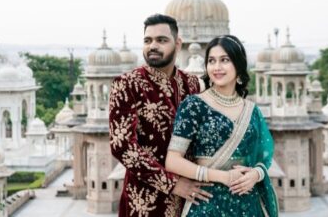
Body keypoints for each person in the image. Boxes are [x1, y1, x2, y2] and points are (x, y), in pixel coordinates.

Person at [109, 14, 211, 217]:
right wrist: (172, 184)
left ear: (178, 43)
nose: (153, 46)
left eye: (161, 40)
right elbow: (122, 146)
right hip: (144, 201)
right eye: (148, 40)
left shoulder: (192, 84)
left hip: (192, 198)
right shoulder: (127, 84)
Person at [165, 35, 279, 217]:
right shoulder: (194, 105)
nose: (217, 67)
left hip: (247, 204)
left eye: (224, 60)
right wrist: (223, 177)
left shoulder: (252, 111)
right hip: (207, 203)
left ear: (239, 65)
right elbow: (172, 160)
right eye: (211, 61)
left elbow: (263, 156)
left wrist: (256, 174)